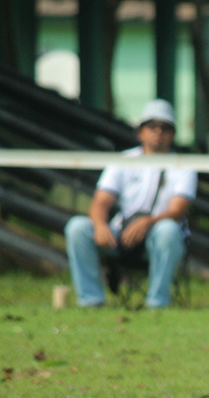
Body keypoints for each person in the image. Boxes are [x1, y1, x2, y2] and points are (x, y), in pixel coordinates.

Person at [64, 99, 196, 309]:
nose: (158, 132)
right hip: (121, 234)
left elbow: (177, 210)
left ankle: (157, 303)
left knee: (168, 230)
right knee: (78, 227)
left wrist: (147, 223)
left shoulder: (183, 165)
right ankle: (91, 301)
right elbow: (101, 201)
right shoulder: (123, 160)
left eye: (165, 127)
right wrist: (99, 225)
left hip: (158, 237)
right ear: (140, 132)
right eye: (152, 126)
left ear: (173, 133)